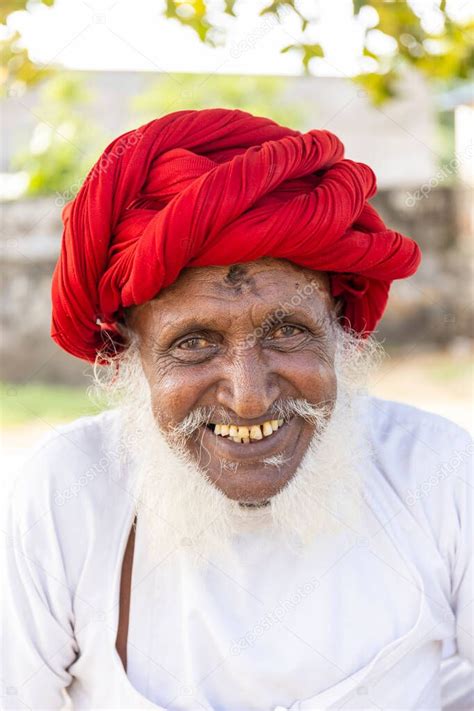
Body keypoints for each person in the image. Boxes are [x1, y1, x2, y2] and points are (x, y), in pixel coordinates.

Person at [2, 109, 472, 710]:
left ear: (339, 333)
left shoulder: (437, 471)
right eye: (194, 342)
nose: (248, 395)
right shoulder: (67, 493)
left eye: (287, 332)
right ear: (131, 355)